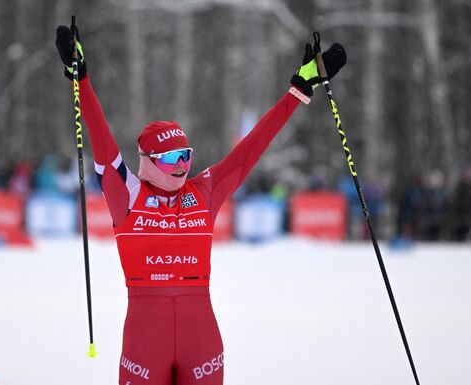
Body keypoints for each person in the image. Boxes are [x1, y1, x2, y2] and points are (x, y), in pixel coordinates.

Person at [56, 25, 345, 385]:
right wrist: (80, 79)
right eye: (170, 157)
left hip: (201, 341)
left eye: (185, 155)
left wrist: (298, 91)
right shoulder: (126, 195)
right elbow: (100, 140)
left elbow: (250, 148)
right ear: (147, 161)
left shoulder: (204, 190)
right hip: (146, 343)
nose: (181, 165)